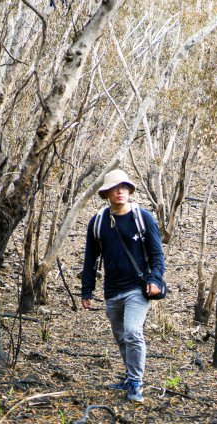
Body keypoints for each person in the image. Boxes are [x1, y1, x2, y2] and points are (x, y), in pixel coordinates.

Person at [81, 169, 165, 403]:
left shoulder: (143, 217)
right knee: (121, 338)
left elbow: (157, 254)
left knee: (132, 332)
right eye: (116, 188)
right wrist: (86, 290)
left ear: (129, 191)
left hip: (138, 289)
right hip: (112, 291)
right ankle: (129, 377)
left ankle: (136, 383)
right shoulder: (98, 222)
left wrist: (155, 279)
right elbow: (90, 259)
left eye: (124, 187)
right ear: (106, 193)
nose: (120, 191)